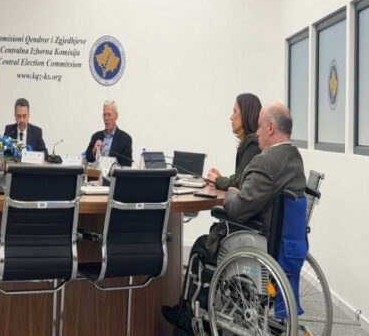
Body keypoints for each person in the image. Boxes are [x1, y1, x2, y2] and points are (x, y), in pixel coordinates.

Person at [162, 102, 307, 334]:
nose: (256, 132)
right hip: (288, 245)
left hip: (260, 243)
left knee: (201, 247)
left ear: (270, 128)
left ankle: (188, 318)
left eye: (259, 127)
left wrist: (231, 192)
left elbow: (238, 209)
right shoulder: (294, 158)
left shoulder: (266, 162)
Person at [206, 93, 262, 190]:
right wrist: (221, 178)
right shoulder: (249, 141)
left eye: (235, 112)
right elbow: (239, 176)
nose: (231, 117)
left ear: (245, 114)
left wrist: (217, 180)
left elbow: (240, 182)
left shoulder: (253, 143)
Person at [85, 100, 133, 167]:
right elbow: (86, 159)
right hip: (96, 173)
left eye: (109, 115)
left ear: (116, 116)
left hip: (115, 173)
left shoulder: (125, 139)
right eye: (104, 115)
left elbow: (127, 166)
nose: (106, 118)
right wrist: (94, 150)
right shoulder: (96, 136)